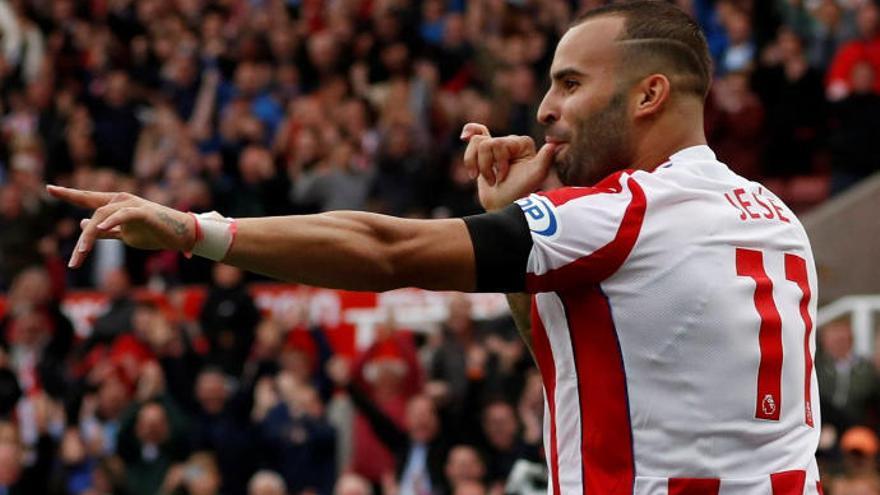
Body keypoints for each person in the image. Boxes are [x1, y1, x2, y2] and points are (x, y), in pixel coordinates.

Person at [48, 1, 822, 493]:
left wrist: (195, 229)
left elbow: (385, 250)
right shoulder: (778, 220)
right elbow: (575, 364)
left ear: (648, 94)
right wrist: (523, 220)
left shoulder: (625, 213)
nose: (547, 110)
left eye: (571, 84)